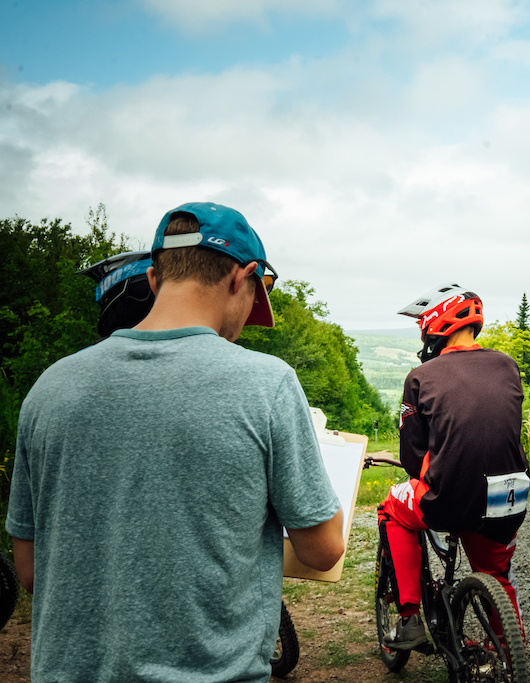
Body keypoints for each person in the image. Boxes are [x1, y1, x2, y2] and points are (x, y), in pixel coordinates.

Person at [6, 202, 346, 682]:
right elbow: (323, 549)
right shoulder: (266, 384)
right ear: (242, 277)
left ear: (152, 278)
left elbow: (31, 570)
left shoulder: (50, 387)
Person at [377, 283, 530, 649]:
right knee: (495, 573)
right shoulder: (507, 366)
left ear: (434, 323)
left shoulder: (421, 376)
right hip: (510, 497)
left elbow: (413, 459)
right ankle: (508, 650)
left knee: (391, 509)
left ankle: (410, 616)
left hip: (448, 498)